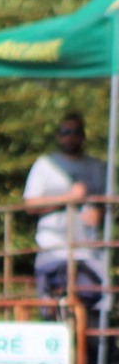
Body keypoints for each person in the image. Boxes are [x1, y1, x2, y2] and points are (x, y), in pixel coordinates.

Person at [24, 113, 108, 319]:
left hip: (88, 250)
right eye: (65, 132)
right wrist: (68, 198)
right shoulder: (45, 165)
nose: (70, 137)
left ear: (83, 135)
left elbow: (106, 203)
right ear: (58, 136)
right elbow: (30, 205)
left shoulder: (97, 166)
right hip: (53, 247)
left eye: (75, 132)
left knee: (92, 302)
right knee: (53, 308)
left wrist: (100, 212)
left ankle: (88, 347)